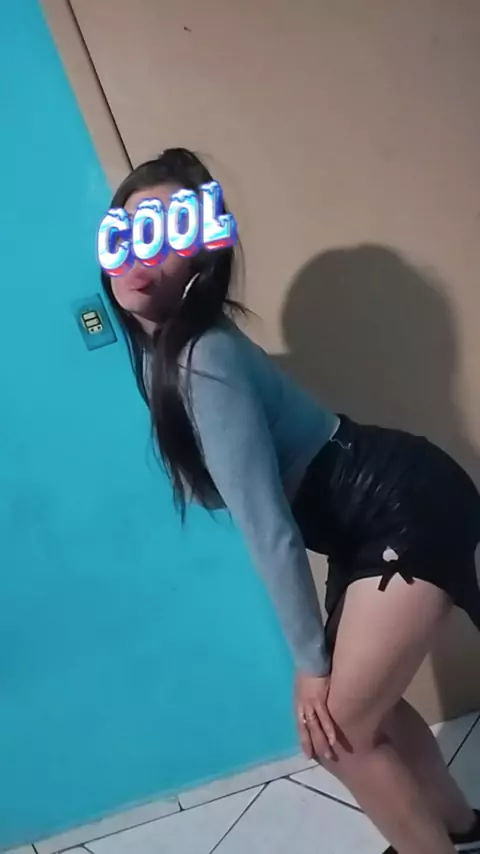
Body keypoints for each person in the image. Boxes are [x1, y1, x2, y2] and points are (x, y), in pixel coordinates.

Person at [101, 147, 480, 854]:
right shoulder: (172, 357)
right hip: (365, 513)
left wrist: (310, 666)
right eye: (127, 229)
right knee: (365, 713)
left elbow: (268, 527)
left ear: (202, 258)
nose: (142, 250)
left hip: (398, 501)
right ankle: (458, 829)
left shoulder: (201, 358)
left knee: (335, 733)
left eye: (170, 232)